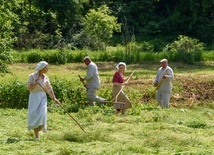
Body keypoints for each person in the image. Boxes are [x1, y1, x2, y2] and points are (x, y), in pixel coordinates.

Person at [27, 61, 60, 141]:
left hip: (42, 96)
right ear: (42, 68)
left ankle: (40, 127)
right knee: (34, 115)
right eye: (46, 67)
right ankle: (37, 137)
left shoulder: (46, 77)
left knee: (43, 113)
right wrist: (35, 84)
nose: (47, 69)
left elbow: (49, 89)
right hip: (34, 97)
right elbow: (29, 88)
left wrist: (54, 98)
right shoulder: (32, 76)